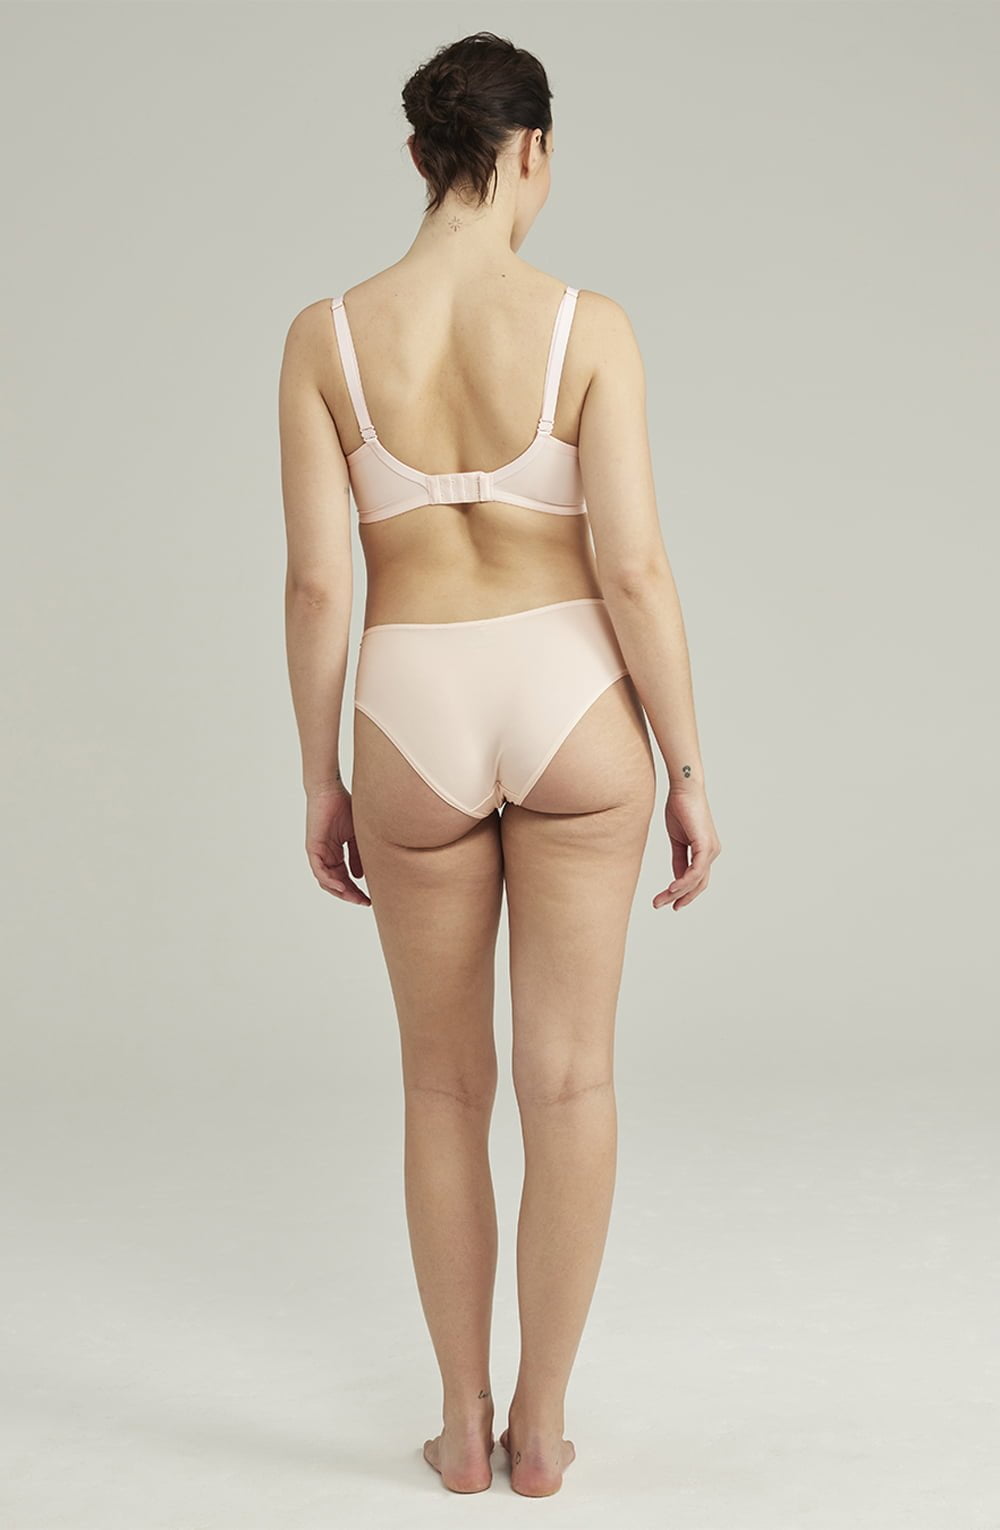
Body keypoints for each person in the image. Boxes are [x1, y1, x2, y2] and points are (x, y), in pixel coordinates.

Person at [278, 29, 721, 1500]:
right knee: (571, 1084)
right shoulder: (589, 325)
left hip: (411, 705)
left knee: (440, 1090)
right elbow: (635, 567)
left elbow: (319, 585)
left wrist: (322, 777)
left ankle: (459, 1427)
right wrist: (687, 767)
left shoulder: (327, 338)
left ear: (419, 156)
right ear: (531, 149)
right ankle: (541, 1429)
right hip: (571, 696)